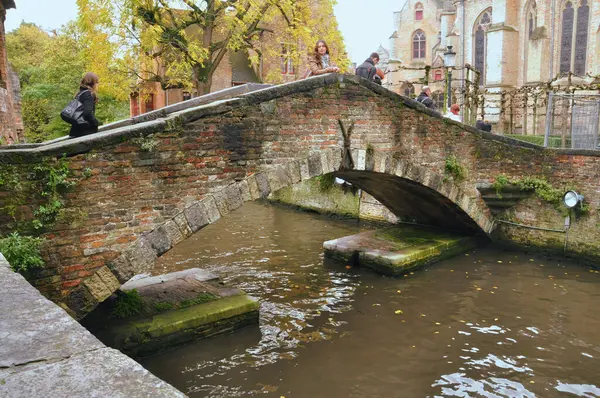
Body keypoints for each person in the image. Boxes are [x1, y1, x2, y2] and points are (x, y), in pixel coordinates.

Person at [69, 72, 100, 138]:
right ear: (93, 83)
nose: (97, 85)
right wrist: (96, 123)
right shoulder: (88, 94)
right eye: (97, 82)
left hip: (75, 131)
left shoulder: (79, 93)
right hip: (86, 132)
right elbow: (87, 113)